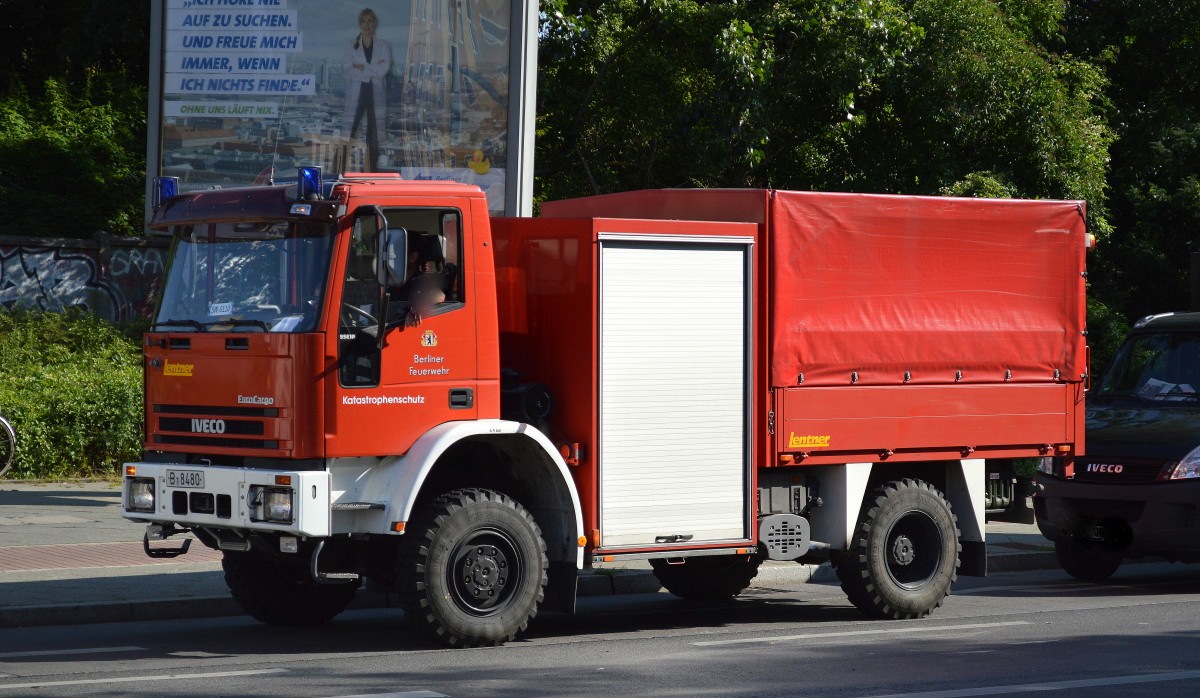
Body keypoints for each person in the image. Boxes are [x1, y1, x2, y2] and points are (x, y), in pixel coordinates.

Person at [341, 8, 393, 171]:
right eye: (363, 21)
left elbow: (384, 69)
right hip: (357, 95)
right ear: (359, 24)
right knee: (348, 135)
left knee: (373, 137)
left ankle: (371, 172)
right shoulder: (351, 45)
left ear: (375, 23)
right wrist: (371, 71)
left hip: (374, 96)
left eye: (370, 21)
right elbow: (347, 68)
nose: (367, 25)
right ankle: (339, 170)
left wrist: (363, 68)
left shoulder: (384, 45)